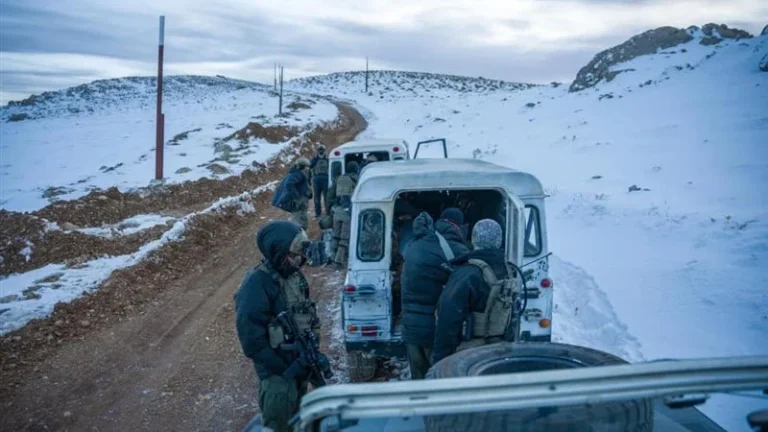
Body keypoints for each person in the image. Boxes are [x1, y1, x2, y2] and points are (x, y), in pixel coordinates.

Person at [234, 220, 323, 432]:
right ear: (277, 252)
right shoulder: (257, 283)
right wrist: (285, 368)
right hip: (278, 380)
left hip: (298, 369)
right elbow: (251, 341)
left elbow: (308, 314)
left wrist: (312, 353)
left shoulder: (294, 276)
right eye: (293, 255)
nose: (299, 260)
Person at [432, 218, 517, 365]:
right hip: (498, 351)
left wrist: (440, 360)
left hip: (469, 353)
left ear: (473, 239)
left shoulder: (468, 273)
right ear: (499, 241)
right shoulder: (508, 270)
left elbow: (448, 319)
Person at [400, 208, 469, 379]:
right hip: (436, 330)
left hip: (410, 328)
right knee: (440, 378)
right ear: (458, 226)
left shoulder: (415, 245)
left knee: (419, 380)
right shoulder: (458, 250)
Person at [327, 161, 359, 268]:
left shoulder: (339, 178)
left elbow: (330, 195)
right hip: (347, 212)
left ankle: (332, 257)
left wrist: (328, 211)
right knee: (344, 238)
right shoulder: (356, 179)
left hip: (337, 211)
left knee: (335, 236)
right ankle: (338, 262)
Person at [272, 158, 312, 230]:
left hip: (301, 202)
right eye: (307, 166)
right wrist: (297, 197)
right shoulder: (298, 174)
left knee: (301, 219)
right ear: (302, 166)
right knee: (299, 221)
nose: (308, 168)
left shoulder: (299, 174)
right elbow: (289, 184)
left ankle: (301, 234)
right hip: (298, 203)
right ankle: (299, 235)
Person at [310, 144, 330, 218]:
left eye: (321, 150)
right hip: (319, 180)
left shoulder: (326, 159)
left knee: (325, 197)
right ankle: (319, 212)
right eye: (319, 150)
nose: (321, 151)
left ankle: (326, 212)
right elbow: (310, 167)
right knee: (318, 197)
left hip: (323, 179)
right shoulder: (316, 159)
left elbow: (310, 167)